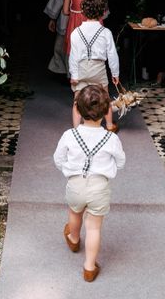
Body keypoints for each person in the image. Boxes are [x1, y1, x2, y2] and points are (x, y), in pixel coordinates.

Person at [53, 84, 126, 282]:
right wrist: (107, 168)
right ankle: (89, 267)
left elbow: (58, 159)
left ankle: (74, 239)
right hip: (99, 188)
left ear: (77, 109)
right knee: (94, 228)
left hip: (75, 184)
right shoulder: (110, 138)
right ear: (106, 111)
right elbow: (121, 162)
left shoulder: (69, 135)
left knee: (74, 213)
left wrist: (69, 171)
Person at [68, 0, 119, 132]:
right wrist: (115, 73)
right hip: (98, 69)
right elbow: (112, 55)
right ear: (103, 13)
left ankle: (76, 129)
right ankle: (109, 125)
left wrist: (74, 75)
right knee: (105, 98)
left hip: (81, 69)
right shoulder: (106, 32)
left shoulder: (76, 32)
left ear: (83, 11)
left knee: (77, 100)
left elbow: (73, 56)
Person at [44, 0, 77, 75]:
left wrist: (52, 18)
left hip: (67, 22)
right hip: (86, 22)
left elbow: (57, 0)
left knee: (63, 48)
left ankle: (68, 73)